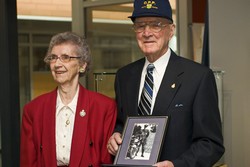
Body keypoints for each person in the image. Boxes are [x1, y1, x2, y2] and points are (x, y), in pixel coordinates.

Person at [107, 0, 225, 167]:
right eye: (140, 25)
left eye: (156, 25)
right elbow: (122, 122)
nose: (147, 33)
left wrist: (177, 165)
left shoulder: (198, 77)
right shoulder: (124, 76)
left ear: (171, 30)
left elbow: (211, 144)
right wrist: (116, 135)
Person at [20, 31, 117, 167]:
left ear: (82, 65)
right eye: (53, 57)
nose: (57, 64)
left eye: (65, 57)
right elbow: (28, 162)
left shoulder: (104, 107)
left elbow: (106, 160)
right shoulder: (33, 110)